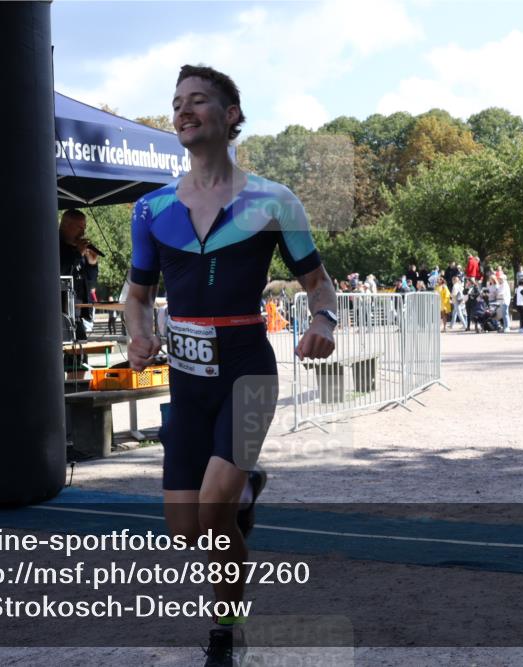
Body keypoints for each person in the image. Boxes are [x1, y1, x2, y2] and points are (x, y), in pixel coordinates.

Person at [125, 64, 336, 667]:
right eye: (177, 103)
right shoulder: (151, 209)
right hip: (187, 380)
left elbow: (321, 287)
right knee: (186, 530)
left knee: (213, 513)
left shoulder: (273, 201)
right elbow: (136, 297)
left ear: (231, 117)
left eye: (198, 101)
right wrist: (140, 337)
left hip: (247, 368)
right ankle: (245, 493)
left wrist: (322, 323)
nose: (183, 111)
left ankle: (224, 629)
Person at [59, 209, 104, 321]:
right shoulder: (54, 245)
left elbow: (91, 281)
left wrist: (92, 264)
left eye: (84, 228)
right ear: (65, 225)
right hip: (61, 314)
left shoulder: (78, 249)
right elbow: (61, 273)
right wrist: (78, 254)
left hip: (79, 315)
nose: (83, 233)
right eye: (79, 227)